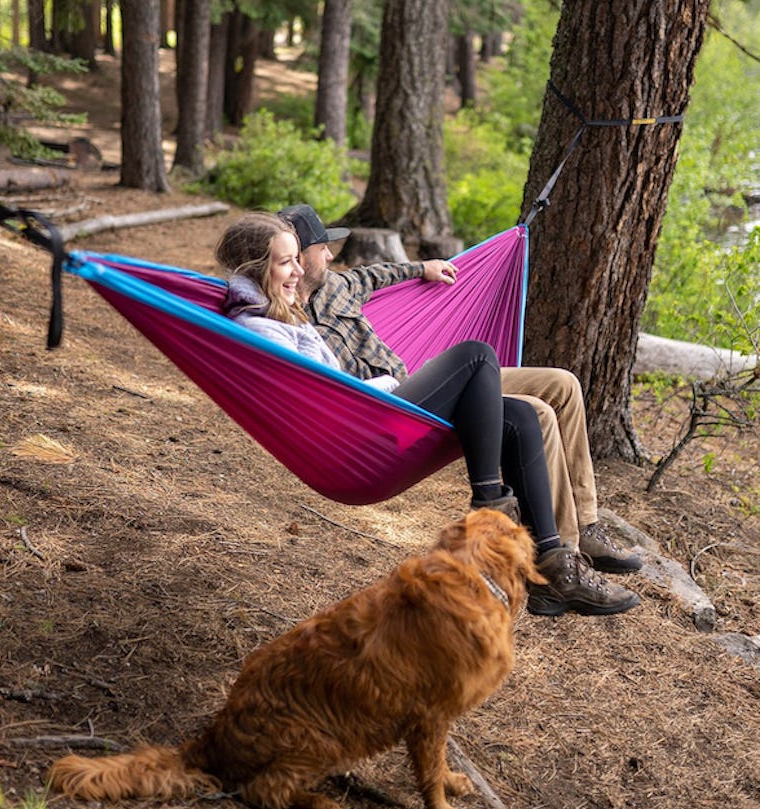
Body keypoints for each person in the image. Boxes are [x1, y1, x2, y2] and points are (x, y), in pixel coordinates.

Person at [216, 213, 639, 617]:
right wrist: (381, 387)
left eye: (296, 259)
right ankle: (491, 504)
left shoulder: (327, 291)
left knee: (527, 415)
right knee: (478, 356)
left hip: (398, 391)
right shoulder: (273, 323)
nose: (327, 256)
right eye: (298, 257)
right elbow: (318, 393)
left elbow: (374, 275)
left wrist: (424, 267)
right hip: (375, 417)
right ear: (269, 265)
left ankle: (559, 559)